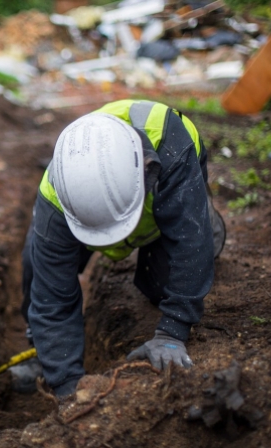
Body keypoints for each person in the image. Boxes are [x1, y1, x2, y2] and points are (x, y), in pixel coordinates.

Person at [12, 99, 226, 397]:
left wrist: (172, 331)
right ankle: (42, 353)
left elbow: (190, 243)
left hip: (167, 199)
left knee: (176, 270)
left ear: (148, 172)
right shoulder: (58, 192)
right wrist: (67, 389)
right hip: (91, 210)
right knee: (36, 265)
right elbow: (52, 299)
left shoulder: (172, 144)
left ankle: (206, 215)